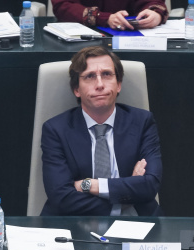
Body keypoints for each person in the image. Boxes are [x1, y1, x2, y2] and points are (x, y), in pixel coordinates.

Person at [41, 46, 163, 216]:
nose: (99, 84)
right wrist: (127, 197)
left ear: (118, 84)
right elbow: (62, 198)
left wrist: (89, 185)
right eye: (90, 76)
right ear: (76, 89)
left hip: (137, 222)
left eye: (106, 75)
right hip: (74, 224)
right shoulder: (55, 130)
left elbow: (149, 185)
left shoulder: (142, 122)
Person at [51, 0, 169, 30]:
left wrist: (155, 13)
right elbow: (62, 6)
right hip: (80, 37)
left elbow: (153, 2)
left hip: (129, 35)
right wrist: (103, 18)